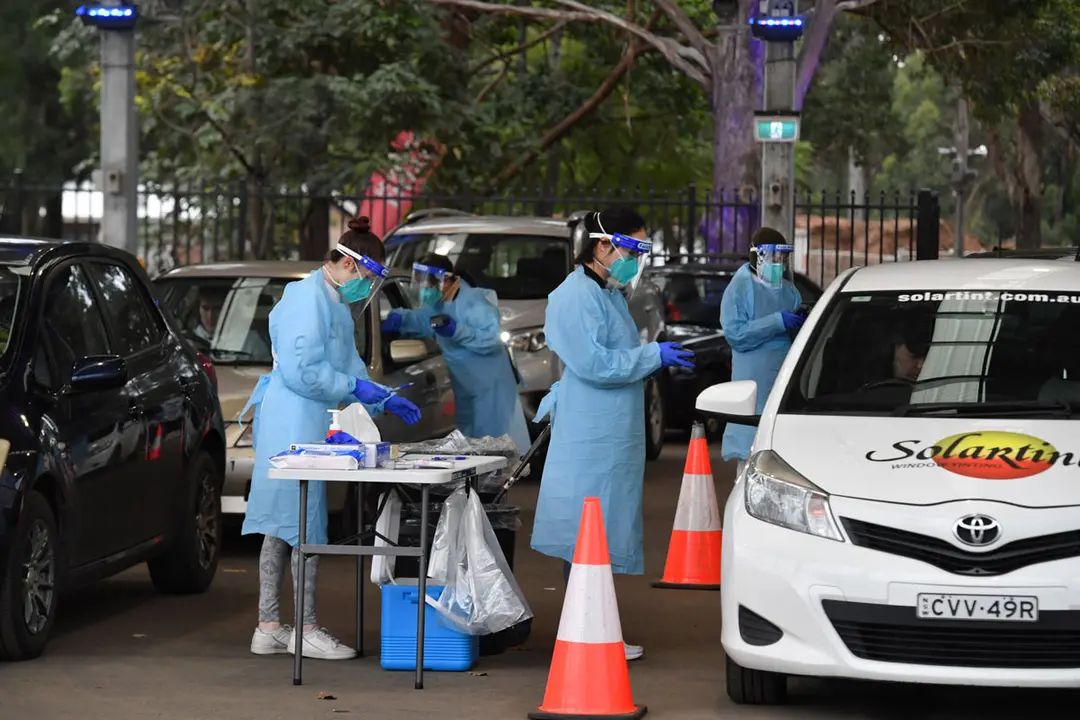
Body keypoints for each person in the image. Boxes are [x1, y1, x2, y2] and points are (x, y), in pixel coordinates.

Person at [240, 216, 422, 660]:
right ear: (345, 263)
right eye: (368, 275)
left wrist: (379, 396)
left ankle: (269, 625)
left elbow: (349, 365)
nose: (367, 286)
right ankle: (303, 627)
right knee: (301, 524)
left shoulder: (334, 302)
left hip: (305, 415)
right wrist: (357, 389)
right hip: (292, 416)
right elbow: (306, 372)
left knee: (286, 524)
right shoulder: (306, 299)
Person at [530, 207, 694, 662]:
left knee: (594, 535)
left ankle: (592, 627)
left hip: (609, 433)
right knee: (584, 537)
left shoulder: (609, 292)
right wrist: (651, 357)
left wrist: (649, 355)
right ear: (603, 245)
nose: (636, 259)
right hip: (590, 434)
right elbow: (597, 364)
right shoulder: (573, 296)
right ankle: (587, 633)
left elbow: (613, 355)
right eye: (633, 248)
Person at [380, 254, 531, 454]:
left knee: (494, 445)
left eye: (430, 284)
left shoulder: (475, 302)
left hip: (490, 386)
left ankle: (497, 483)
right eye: (422, 283)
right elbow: (425, 320)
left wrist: (456, 330)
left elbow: (491, 341)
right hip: (466, 386)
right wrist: (401, 320)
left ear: (448, 279)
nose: (425, 290)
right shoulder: (441, 304)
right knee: (471, 443)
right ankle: (477, 484)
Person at [720, 228, 803, 477]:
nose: (778, 264)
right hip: (753, 386)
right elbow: (736, 335)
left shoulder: (789, 291)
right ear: (757, 257)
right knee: (748, 461)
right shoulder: (739, 290)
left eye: (782, 258)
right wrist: (777, 321)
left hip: (782, 383)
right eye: (773, 257)